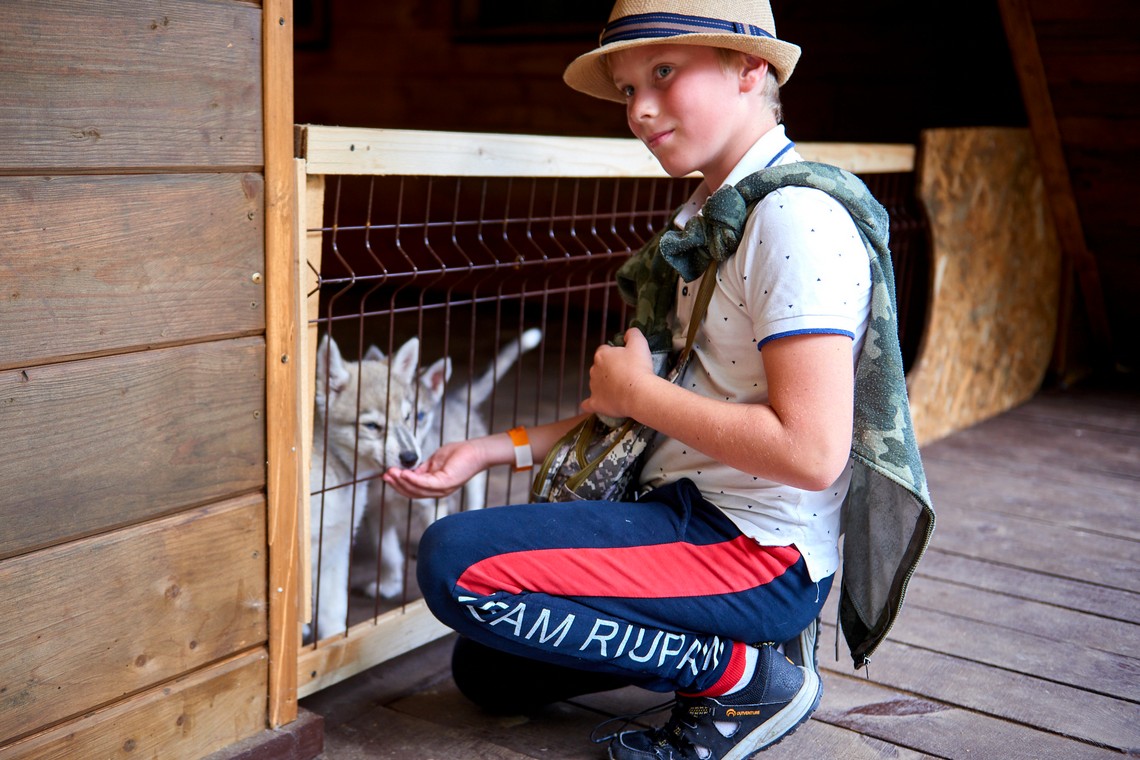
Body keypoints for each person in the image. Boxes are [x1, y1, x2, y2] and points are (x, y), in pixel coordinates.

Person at [384, 1, 921, 757]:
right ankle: (732, 651)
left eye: (663, 74)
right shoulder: (710, 213)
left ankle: (742, 676)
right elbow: (648, 410)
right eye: (627, 86)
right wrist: (494, 448)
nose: (638, 109)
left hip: (756, 553)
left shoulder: (793, 219)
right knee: (490, 671)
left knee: (456, 565)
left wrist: (638, 393)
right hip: (682, 508)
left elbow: (810, 452)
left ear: (750, 68)